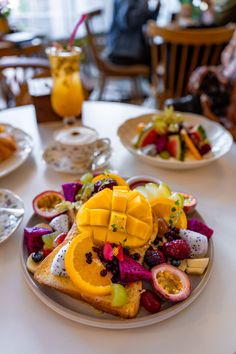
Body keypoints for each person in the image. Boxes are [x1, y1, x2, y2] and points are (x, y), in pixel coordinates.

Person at [166, 30, 236, 140]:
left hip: (226, 125)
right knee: (170, 109)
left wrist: (218, 123)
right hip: (218, 102)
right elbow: (227, 66)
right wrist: (209, 71)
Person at [106, 0, 160, 66]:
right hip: (121, 51)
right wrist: (144, 2)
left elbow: (147, 18)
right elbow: (127, 22)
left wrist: (157, 8)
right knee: (161, 55)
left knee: (161, 53)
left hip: (129, 50)